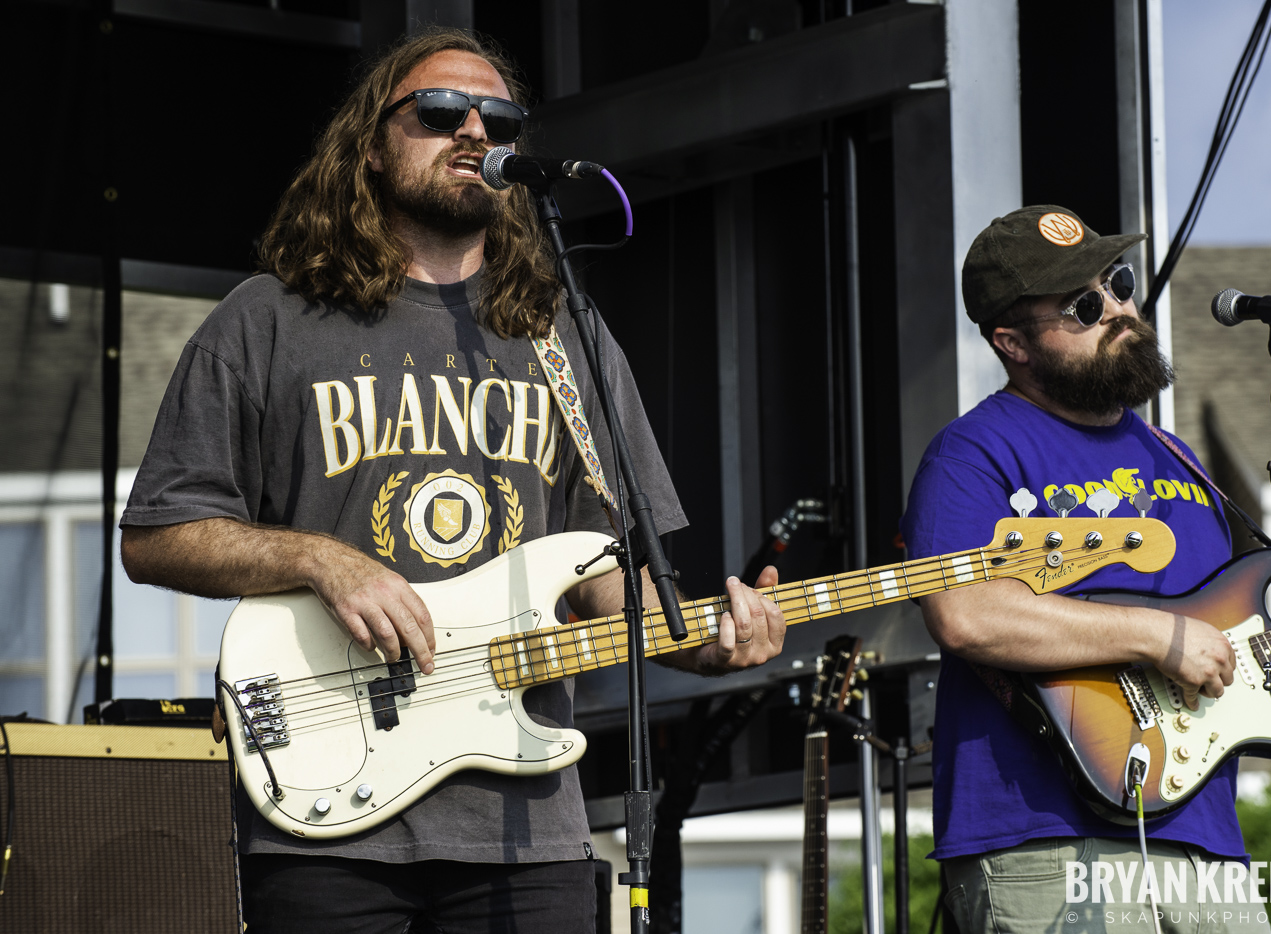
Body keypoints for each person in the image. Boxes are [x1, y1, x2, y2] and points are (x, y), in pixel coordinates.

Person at [120, 28, 785, 933]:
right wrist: (322, 559)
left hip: (526, 829)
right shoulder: (268, 320)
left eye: (499, 116)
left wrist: (700, 639)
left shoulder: (564, 338)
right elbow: (158, 532)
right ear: (370, 143)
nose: (474, 130)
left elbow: (594, 579)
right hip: (326, 821)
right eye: (440, 112)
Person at [901, 205, 1271, 934]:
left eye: (1120, 283)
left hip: (1208, 843)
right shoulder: (972, 453)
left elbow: (1233, 640)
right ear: (1012, 341)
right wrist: (1155, 636)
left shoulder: (1179, 459)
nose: (1118, 310)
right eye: (1082, 305)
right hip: (1045, 840)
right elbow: (965, 613)